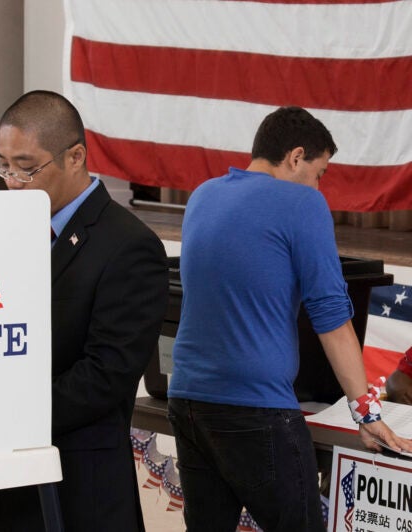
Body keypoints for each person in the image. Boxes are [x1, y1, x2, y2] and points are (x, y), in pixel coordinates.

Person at [168, 106, 412, 532]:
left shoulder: (204, 195)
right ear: (296, 156)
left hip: (188, 400)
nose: (320, 185)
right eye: (320, 172)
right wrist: (366, 413)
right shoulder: (301, 203)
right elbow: (332, 317)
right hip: (255, 409)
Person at [0, 90, 168, 531]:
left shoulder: (128, 246)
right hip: (9, 479)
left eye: (26, 168)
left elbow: (105, 375)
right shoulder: (7, 229)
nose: (11, 181)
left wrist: (8, 411)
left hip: (80, 488)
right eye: (2, 165)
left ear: (76, 157)